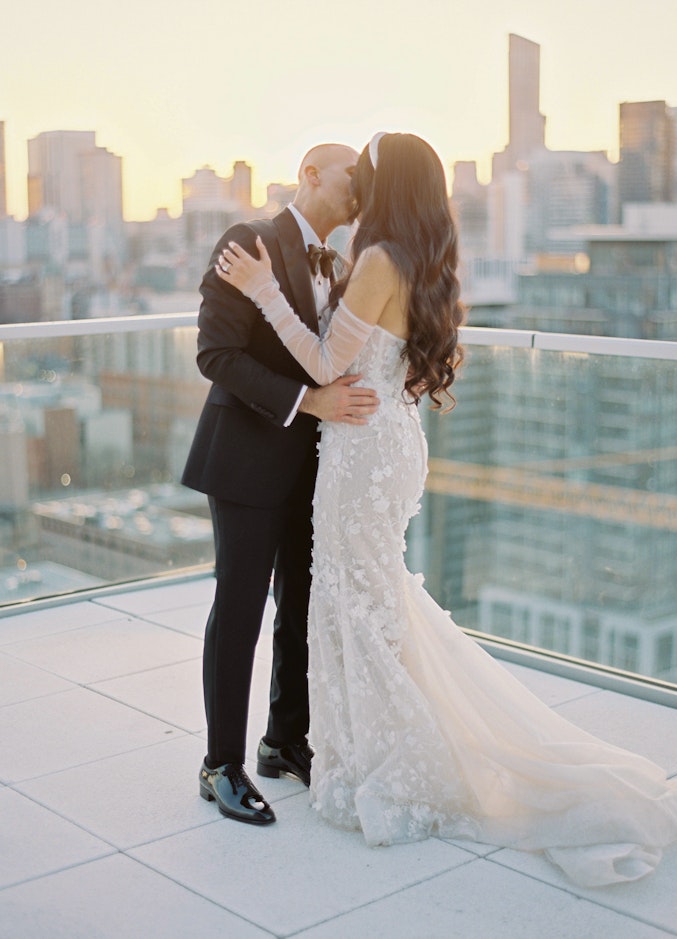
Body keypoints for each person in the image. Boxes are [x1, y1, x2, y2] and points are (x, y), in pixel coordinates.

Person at [216, 132, 677, 885]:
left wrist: (264, 291)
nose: (360, 192)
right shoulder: (420, 262)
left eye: (370, 178)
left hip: (362, 449)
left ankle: (396, 761)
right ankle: (357, 746)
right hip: (390, 442)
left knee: (358, 605)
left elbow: (323, 364)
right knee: (374, 603)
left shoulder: (376, 262)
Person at [182, 143, 379, 826]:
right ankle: (220, 765)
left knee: (301, 603)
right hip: (245, 459)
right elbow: (216, 353)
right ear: (312, 173)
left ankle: (282, 740)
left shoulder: (355, 264)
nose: (363, 188)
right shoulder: (250, 240)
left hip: (318, 466)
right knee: (239, 609)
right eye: (355, 175)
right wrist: (308, 401)